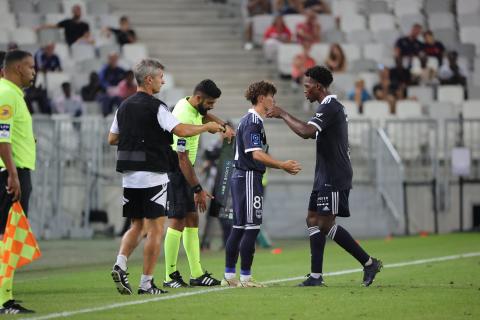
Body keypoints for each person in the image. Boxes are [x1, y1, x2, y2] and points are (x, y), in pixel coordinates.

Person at [109, 58, 224, 296]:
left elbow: (112, 138)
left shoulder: (124, 106)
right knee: (155, 230)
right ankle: (147, 282)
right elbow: (180, 130)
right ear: (149, 80)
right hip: (153, 174)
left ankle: (120, 263)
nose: (163, 81)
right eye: (161, 77)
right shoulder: (157, 107)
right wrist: (205, 128)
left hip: (129, 175)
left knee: (136, 225)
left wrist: (138, 136)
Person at [266, 66, 382, 287]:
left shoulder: (331, 107)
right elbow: (311, 133)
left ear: (318, 86)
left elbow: (306, 132)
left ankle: (369, 263)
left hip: (335, 174)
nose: (305, 91)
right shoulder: (326, 108)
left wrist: (282, 113)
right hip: (324, 173)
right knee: (312, 219)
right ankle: (316, 277)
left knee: (325, 224)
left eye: (307, 86)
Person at [221, 81, 302, 288]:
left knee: (239, 228)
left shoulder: (250, 121)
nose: (273, 101)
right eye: (271, 97)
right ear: (260, 99)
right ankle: (245, 278)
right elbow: (256, 154)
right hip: (248, 177)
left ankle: (230, 276)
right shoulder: (252, 122)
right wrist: (282, 164)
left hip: (243, 177)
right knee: (251, 228)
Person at [163, 79, 235, 288]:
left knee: (192, 219)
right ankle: (170, 276)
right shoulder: (184, 115)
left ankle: (196, 274)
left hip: (186, 170)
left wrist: (222, 126)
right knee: (177, 221)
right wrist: (197, 188)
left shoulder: (193, 106)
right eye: (210, 102)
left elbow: (205, 116)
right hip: (177, 172)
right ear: (199, 98)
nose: (212, 106)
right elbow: (181, 158)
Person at [0, 50, 36, 314]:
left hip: (15, 170)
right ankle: (4, 300)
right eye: (31, 67)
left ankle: (6, 297)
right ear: (19, 68)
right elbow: (2, 137)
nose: (34, 72)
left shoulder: (13, 93)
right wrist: (12, 174)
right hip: (11, 173)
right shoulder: (7, 94)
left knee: (10, 235)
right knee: (8, 236)